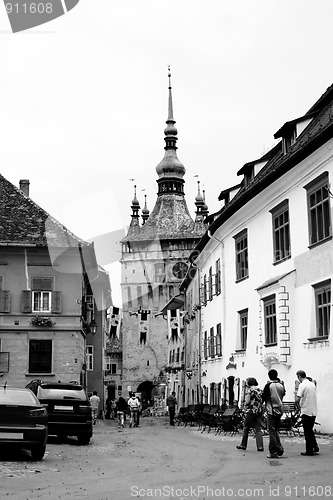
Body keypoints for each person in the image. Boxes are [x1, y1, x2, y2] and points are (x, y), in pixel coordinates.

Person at [236, 377, 264, 452]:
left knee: (246, 428)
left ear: (249, 383)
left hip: (251, 411)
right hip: (258, 411)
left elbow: (248, 401)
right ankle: (260, 446)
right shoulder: (260, 390)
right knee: (258, 429)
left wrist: (244, 404)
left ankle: (243, 444)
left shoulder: (250, 390)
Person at [262, 369, 285, 458]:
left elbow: (263, 397)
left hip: (271, 410)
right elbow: (283, 394)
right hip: (279, 409)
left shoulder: (268, 386)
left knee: (271, 431)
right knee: (275, 430)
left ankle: (273, 451)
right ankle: (279, 448)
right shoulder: (281, 385)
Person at [295, 370, 319, 456]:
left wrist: (296, 403)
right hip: (313, 410)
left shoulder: (302, 385)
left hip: (306, 410)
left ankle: (309, 450)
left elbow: (298, 398)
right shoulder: (312, 384)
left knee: (307, 431)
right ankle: (315, 446)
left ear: (299, 376)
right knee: (310, 430)